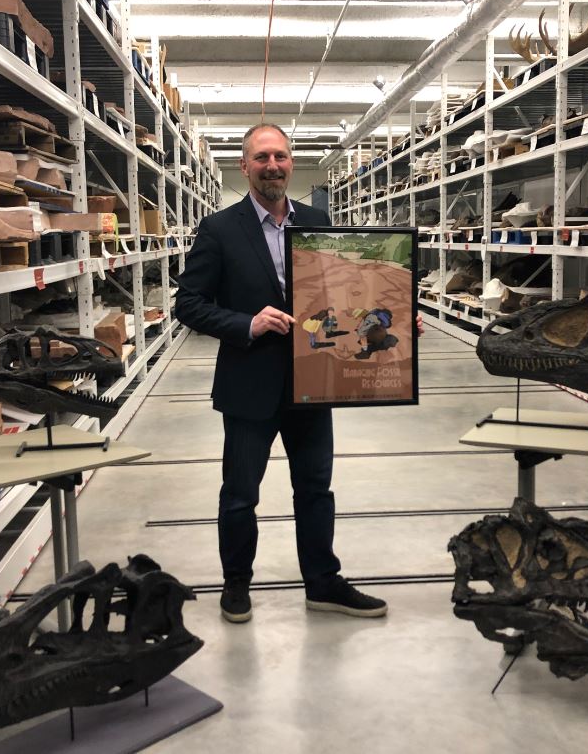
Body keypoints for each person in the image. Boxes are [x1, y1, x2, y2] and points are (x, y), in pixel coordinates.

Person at [177, 123, 423, 624]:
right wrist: (246, 322)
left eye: (281, 157)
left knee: (315, 488)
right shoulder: (220, 230)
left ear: (292, 164)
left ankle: (322, 582)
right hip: (250, 383)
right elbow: (189, 304)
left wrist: (395, 316)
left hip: (315, 377)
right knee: (241, 494)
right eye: (262, 158)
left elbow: (347, 291)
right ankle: (236, 584)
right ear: (244, 167)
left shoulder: (318, 221)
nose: (273, 166)